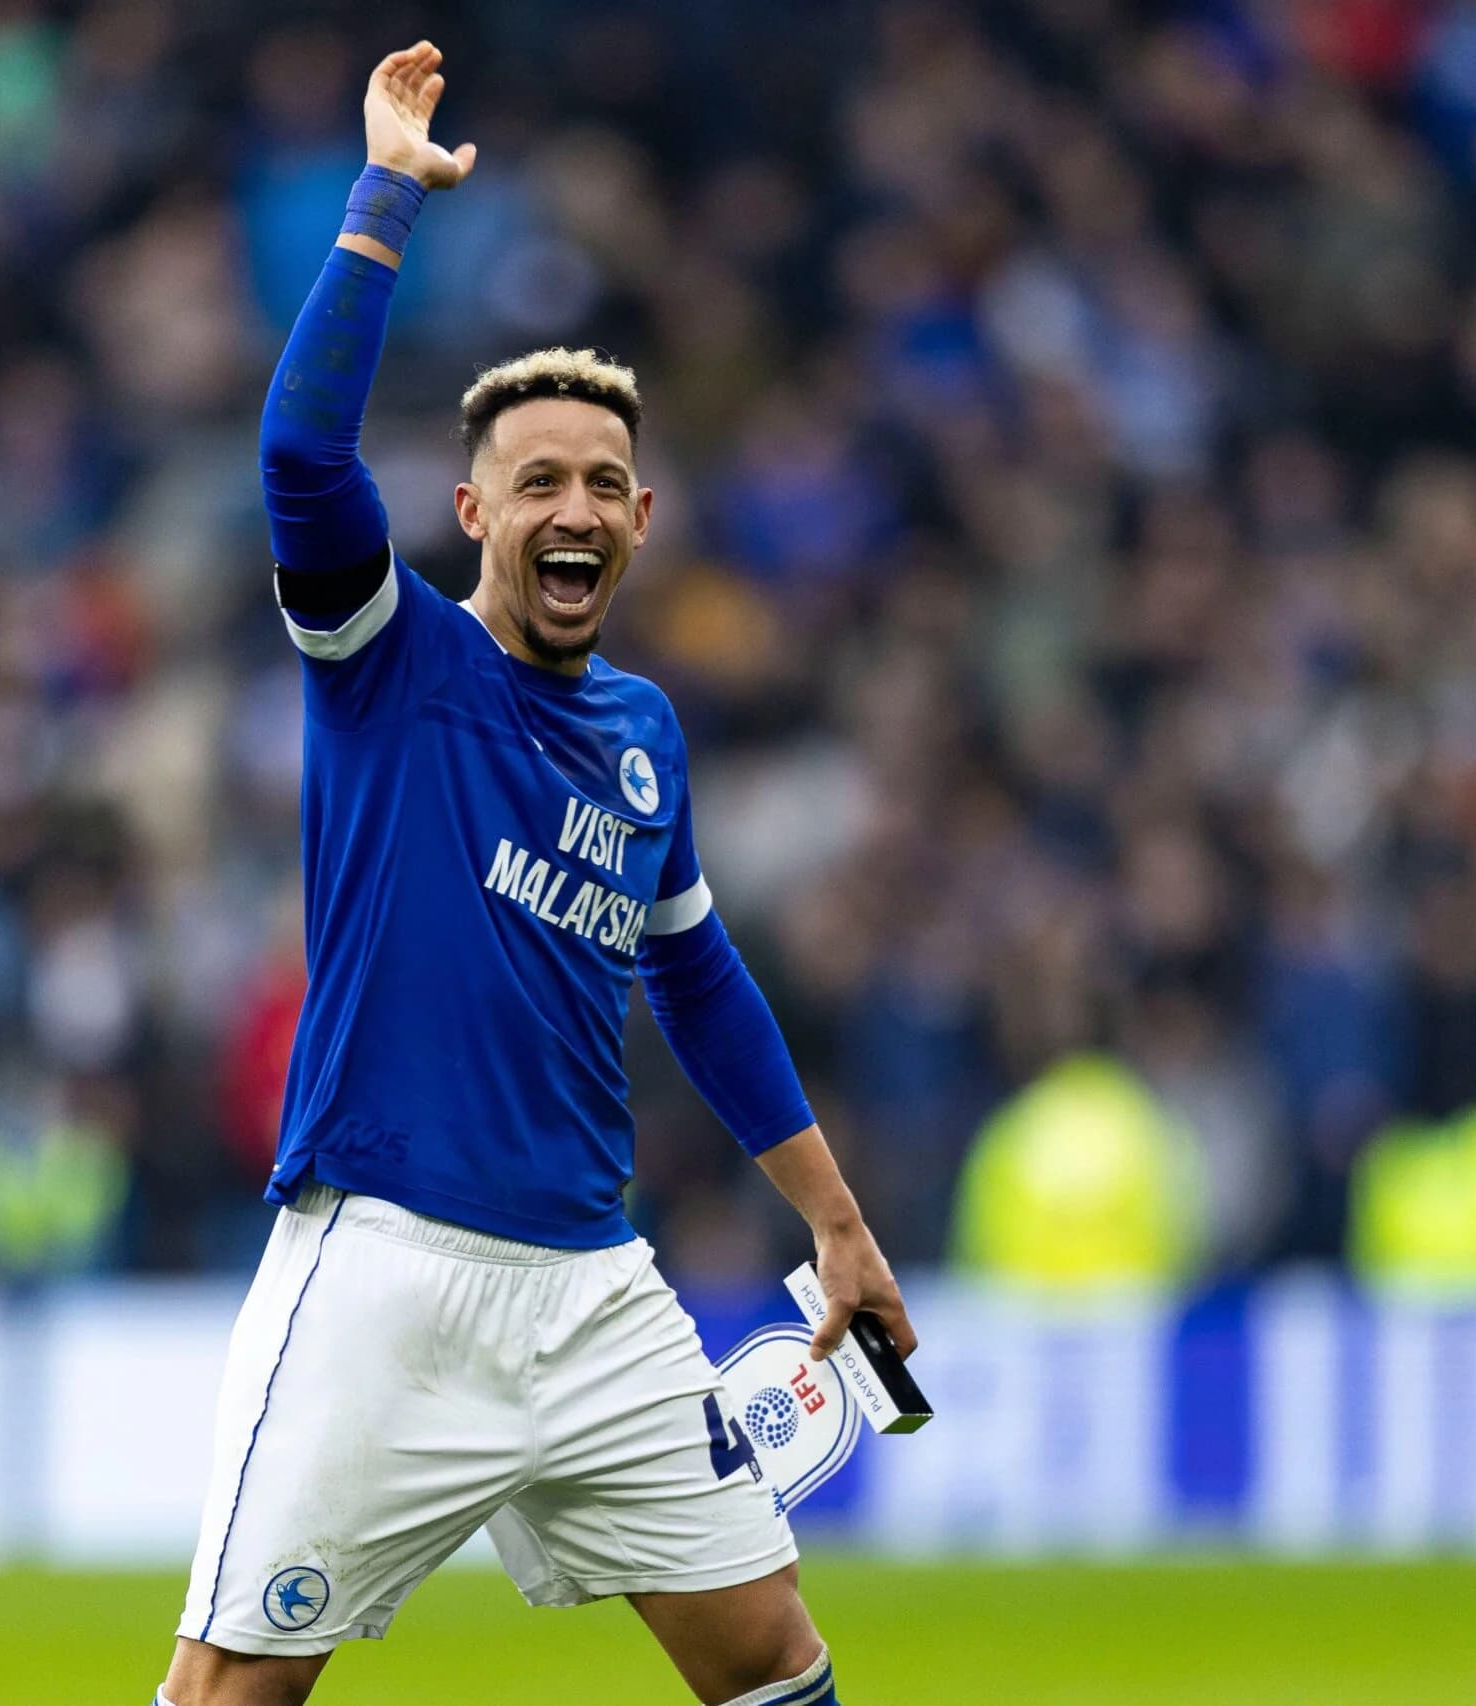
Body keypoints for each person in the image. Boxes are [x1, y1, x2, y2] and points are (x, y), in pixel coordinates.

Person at [157, 43, 912, 1706]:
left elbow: (698, 978)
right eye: (536, 484)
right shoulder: (390, 658)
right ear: (474, 510)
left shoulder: (643, 732)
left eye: (600, 486)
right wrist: (381, 207)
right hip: (388, 1278)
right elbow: (295, 461)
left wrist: (837, 1224)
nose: (571, 510)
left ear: (641, 520)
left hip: (594, 1290)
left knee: (773, 1660)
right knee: (232, 1688)